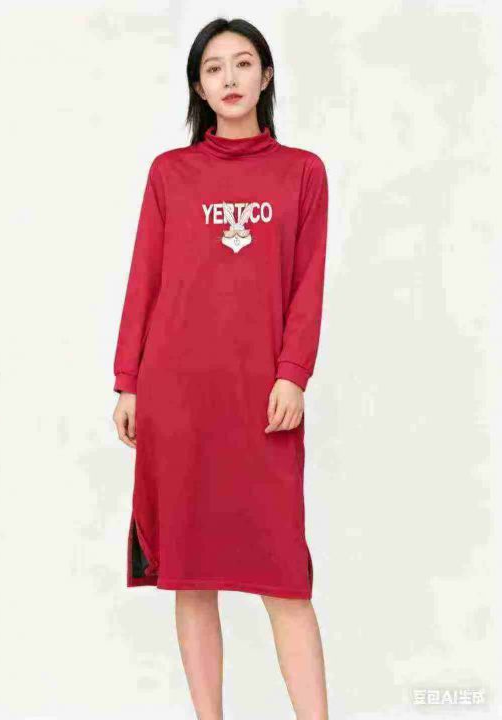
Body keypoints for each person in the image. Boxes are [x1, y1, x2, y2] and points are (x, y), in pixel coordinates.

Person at [112, 16, 330, 720]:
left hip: (263, 401)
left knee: (284, 578)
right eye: (213, 68)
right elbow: (145, 278)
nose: (229, 78)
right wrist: (127, 381)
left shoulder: (302, 172)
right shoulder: (170, 174)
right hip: (177, 397)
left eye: (242, 63)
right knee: (190, 573)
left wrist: (292, 372)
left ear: (265, 77)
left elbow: (308, 282)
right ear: (199, 88)